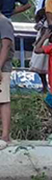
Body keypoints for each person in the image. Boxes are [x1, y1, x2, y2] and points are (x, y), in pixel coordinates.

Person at [0, 10, 13, 148]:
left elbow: (6, 45)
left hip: (2, 67)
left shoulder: (3, 22)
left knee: (3, 100)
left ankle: (5, 135)